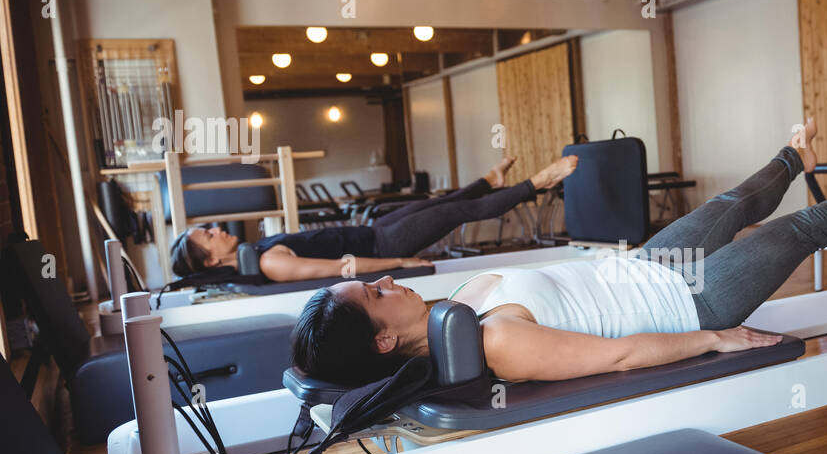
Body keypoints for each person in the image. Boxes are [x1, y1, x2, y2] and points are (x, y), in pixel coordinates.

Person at [291, 105, 827, 384]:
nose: (387, 283)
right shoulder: (490, 342)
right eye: (375, 295)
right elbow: (620, 353)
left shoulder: (452, 306)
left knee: (732, 202)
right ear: (384, 340)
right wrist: (714, 340)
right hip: (693, 300)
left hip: (642, 266)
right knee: (805, 228)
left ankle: (796, 158)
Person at [169, 154, 577, 282]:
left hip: (373, 232)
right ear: (209, 260)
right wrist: (401, 262)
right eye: (208, 236)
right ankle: (539, 181)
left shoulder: (258, 252)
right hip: (384, 245)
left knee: (440, 202)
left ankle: (490, 179)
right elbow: (345, 269)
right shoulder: (269, 262)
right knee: (459, 212)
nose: (216, 229)